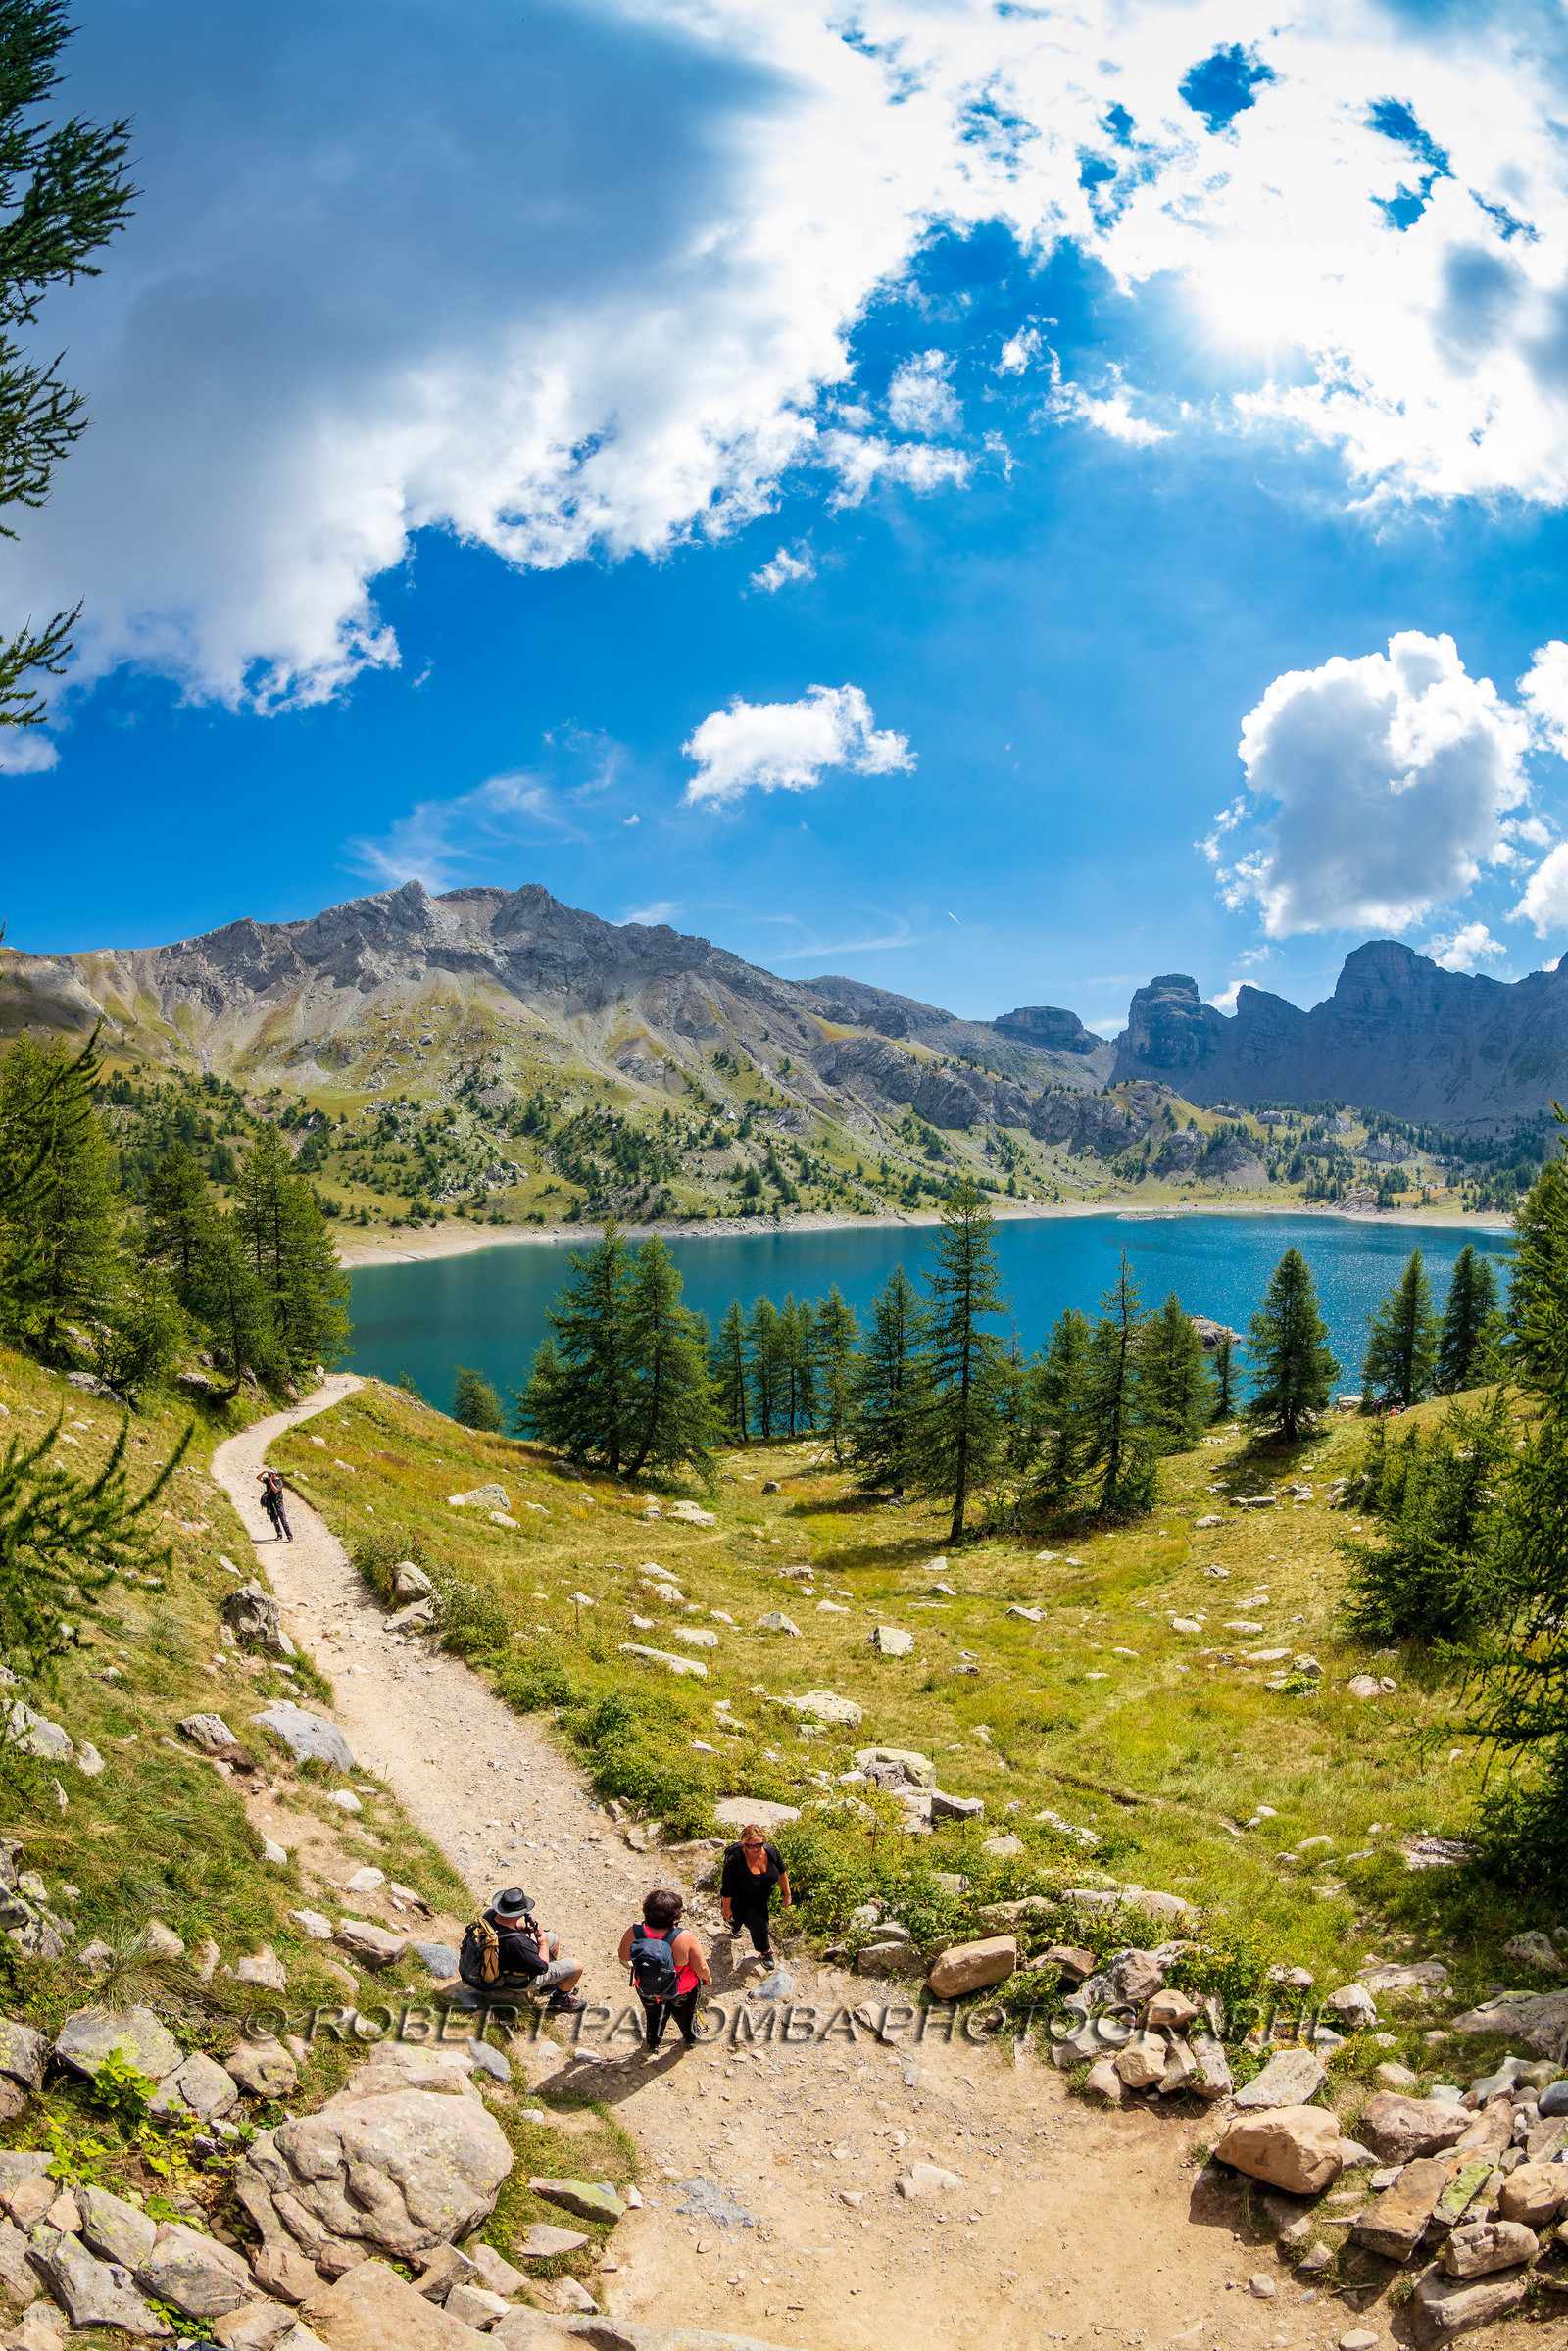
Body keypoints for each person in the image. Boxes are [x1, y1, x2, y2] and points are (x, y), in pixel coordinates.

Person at [459, 1886, 586, 2012]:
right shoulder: (517, 1943)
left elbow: (505, 1926)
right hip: (514, 1981)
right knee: (577, 1966)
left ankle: (548, 1985)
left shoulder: (491, 1915)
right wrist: (543, 1944)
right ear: (519, 1913)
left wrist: (524, 1929)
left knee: (553, 1938)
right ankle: (560, 2000)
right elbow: (542, 1968)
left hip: (489, 1963)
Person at [618, 1886, 710, 2053]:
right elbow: (701, 1967)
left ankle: (653, 2042)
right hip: (682, 1990)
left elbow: (624, 1958)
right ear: (675, 1917)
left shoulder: (634, 1932)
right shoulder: (685, 1937)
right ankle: (690, 2037)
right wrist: (707, 1979)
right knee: (686, 2015)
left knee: (653, 2014)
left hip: (648, 1988)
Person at [719, 1826, 791, 1965]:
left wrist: (787, 1895)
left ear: (764, 1841)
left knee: (754, 1921)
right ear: (743, 1844)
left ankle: (735, 1925)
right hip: (740, 1899)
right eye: (749, 1846)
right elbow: (727, 1889)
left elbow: (782, 1873)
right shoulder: (735, 1861)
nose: (755, 1849)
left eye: (759, 1845)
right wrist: (726, 1909)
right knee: (760, 1925)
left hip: (761, 1898)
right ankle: (766, 1951)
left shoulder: (772, 1853)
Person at [258, 1468, 292, 1543]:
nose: (271, 1475)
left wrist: (271, 1482)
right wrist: (264, 1471)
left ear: (276, 1474)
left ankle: (290, 1536)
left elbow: (276, 1490)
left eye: (272, 1474)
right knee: (275, 1520)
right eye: (270, 1474)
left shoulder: (279, 1481)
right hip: (271, 1503)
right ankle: (279, 1535)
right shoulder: (268, 1480)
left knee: (283, 1520)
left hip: (278, 1503)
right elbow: (258, 1478)